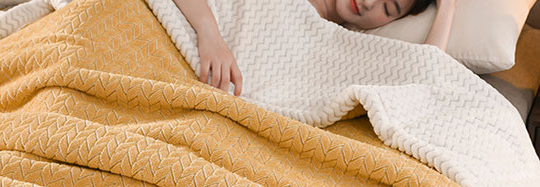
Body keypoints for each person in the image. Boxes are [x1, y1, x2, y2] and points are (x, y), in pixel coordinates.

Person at [171, 0, 457, 96]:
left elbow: (424, 79)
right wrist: (209, 33)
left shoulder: (342, 47)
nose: (369, 3)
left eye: (388, 8)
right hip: (178, 39)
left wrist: (448, 7)